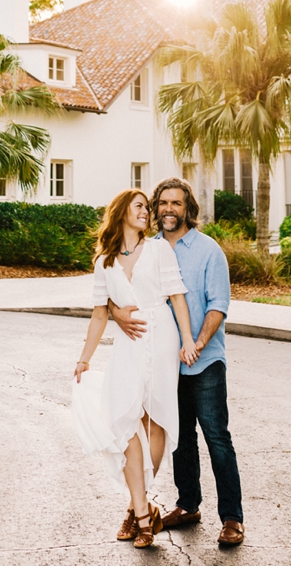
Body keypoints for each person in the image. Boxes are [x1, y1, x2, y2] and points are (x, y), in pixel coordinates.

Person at [109, 178, 245, 547]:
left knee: (217, 438)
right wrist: (117, 315)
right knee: (178, 437)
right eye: (163, 203)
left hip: (203, 361)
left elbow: (218, 305)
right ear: (155, 208)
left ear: (188, 209)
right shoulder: (146, 248)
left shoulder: (208, 250)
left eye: (177, 203)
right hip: (160, 361)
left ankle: (232, 517)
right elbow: (118, 291)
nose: (169, 209)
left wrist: (196, 343)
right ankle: (187, 505)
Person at [71, 188, 198, 549]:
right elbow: (99, 313)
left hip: (161, 336)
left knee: (155, 420)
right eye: (140, 206)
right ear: (122, 211)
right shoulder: (105, 262)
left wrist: (187, 340)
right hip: (128, 344)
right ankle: (142, 508)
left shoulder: (159, 249)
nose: (147, 212)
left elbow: (177, 296)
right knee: (124, 421)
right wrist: (84, 358)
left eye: (148, 208)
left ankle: (138, 511)